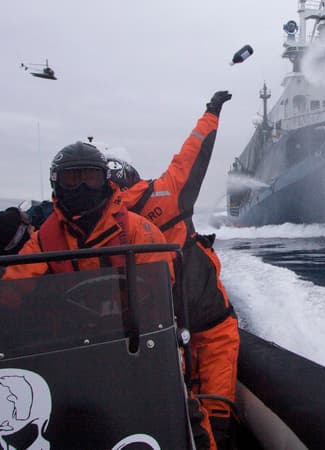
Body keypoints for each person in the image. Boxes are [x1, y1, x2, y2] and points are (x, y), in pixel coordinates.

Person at [2, 142, 217, 449]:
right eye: (71, 180)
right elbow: (12, 293)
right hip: (69, 359)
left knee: (189, 420)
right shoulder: (42, 242)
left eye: (89, 178)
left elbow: (162, 294)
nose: (81, 188)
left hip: (135, 353)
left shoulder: (140, 234)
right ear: (56, 182)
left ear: (105, 180)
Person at [107, 91, 239, 448]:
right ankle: (219, 426)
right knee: (216, 344)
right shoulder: (166, 192)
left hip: (138, 317)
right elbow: (194, 152)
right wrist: (211, 113)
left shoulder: (96, 222)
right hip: (199, 300)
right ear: (132, 174)